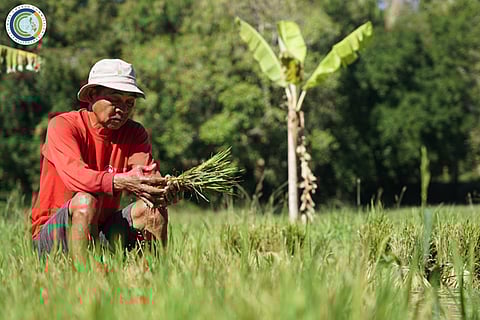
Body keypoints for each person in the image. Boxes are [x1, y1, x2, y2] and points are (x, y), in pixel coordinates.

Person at [31, 58, 176, 260]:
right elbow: (76, 177)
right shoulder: (63, 126)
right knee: (85, 200)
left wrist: (163, 190)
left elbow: (149, 178)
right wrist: (120, 181)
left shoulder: (134, 133)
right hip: (55, 235)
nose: (122, 109)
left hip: (101, 231)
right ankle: (83, 278)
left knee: (153, 209)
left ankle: (154, 279)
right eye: (115, 100)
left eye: (129, 103)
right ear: (92, 95)